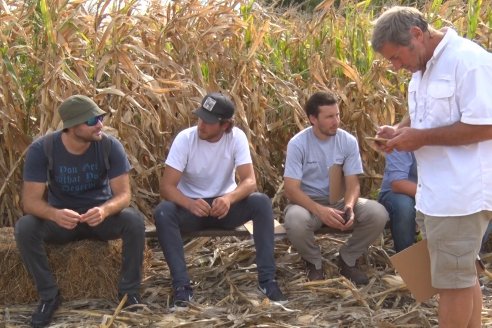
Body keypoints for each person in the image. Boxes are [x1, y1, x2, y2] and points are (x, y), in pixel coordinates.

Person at [371, 6, 492, 327]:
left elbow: (486, 126)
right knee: (462, 276)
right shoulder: (421, 69)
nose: (396, 66)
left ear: (416, 34)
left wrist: (420, 138)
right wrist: (399, 130)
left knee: (452, 284)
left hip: (461, 195)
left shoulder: (468, 62)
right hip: (436, 195)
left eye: (396, 57)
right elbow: (426, 116)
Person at [15, 95, 145, 328]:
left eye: (101, 117)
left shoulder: (109, 145)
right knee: (25, 227)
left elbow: (124, 195)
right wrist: (55, 214)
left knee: (134, 221)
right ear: (72, 126)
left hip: (99, 220)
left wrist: (104, 211)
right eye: (93, 120)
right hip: (63, 222)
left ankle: (129, 293)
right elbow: (30, 202)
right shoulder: (42, 149)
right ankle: (49, 296)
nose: (100, 125)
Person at [153, 92, 286, 308]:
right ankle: (181, 287)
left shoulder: (236, 138)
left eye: (209, 121)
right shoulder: (186, 139)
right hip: (192, 210)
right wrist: (189, 203)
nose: (201, 125)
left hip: (225, 208)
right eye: (200, 117)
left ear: (225, 125)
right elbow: (166, 187)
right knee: (163, 212)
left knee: (260, 202)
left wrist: (228, 199)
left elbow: (250, 181)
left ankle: (267, 281)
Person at [283, 91, 389, 284]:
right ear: (313, 119)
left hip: (338, 203)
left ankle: (348, 259)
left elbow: (353, 183)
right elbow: (291, 189)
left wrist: (349, 206)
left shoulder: (347, 141)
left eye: (337, 115)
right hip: (308, 205)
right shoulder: (298, 144)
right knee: (294, 220)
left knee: (377, 213)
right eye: (330, 117)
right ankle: (314, 263)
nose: (336, 121)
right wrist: (320, 211)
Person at [378, 150, 417, 252]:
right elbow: (398, 184)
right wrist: (433, 195)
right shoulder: (402, 140)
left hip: (429, 192)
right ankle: (406, 258)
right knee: (404, 206)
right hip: (396, 194)